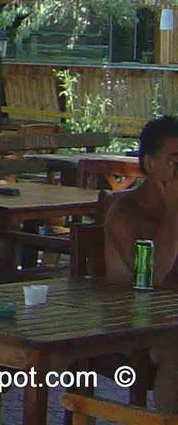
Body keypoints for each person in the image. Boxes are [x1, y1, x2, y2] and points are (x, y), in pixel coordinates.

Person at [105, 114, 178, 408]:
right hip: (133, 321)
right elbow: (151, 277)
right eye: (176, 161)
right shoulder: (124, 213)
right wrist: (174, 211)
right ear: (149, 164)